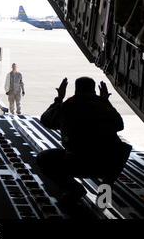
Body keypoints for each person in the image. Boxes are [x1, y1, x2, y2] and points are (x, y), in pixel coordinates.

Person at [37, 77, 131, 206]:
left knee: (43, 158)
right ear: (93, 90)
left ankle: (75, 190)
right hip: (103, 164)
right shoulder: (102, 106)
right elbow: (119, 125)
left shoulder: (68, 106)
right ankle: (105, 191)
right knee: (122, 149)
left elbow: (46, 120)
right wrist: (105, 101)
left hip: (75, 163)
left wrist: (59, 98)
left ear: (76, 89)